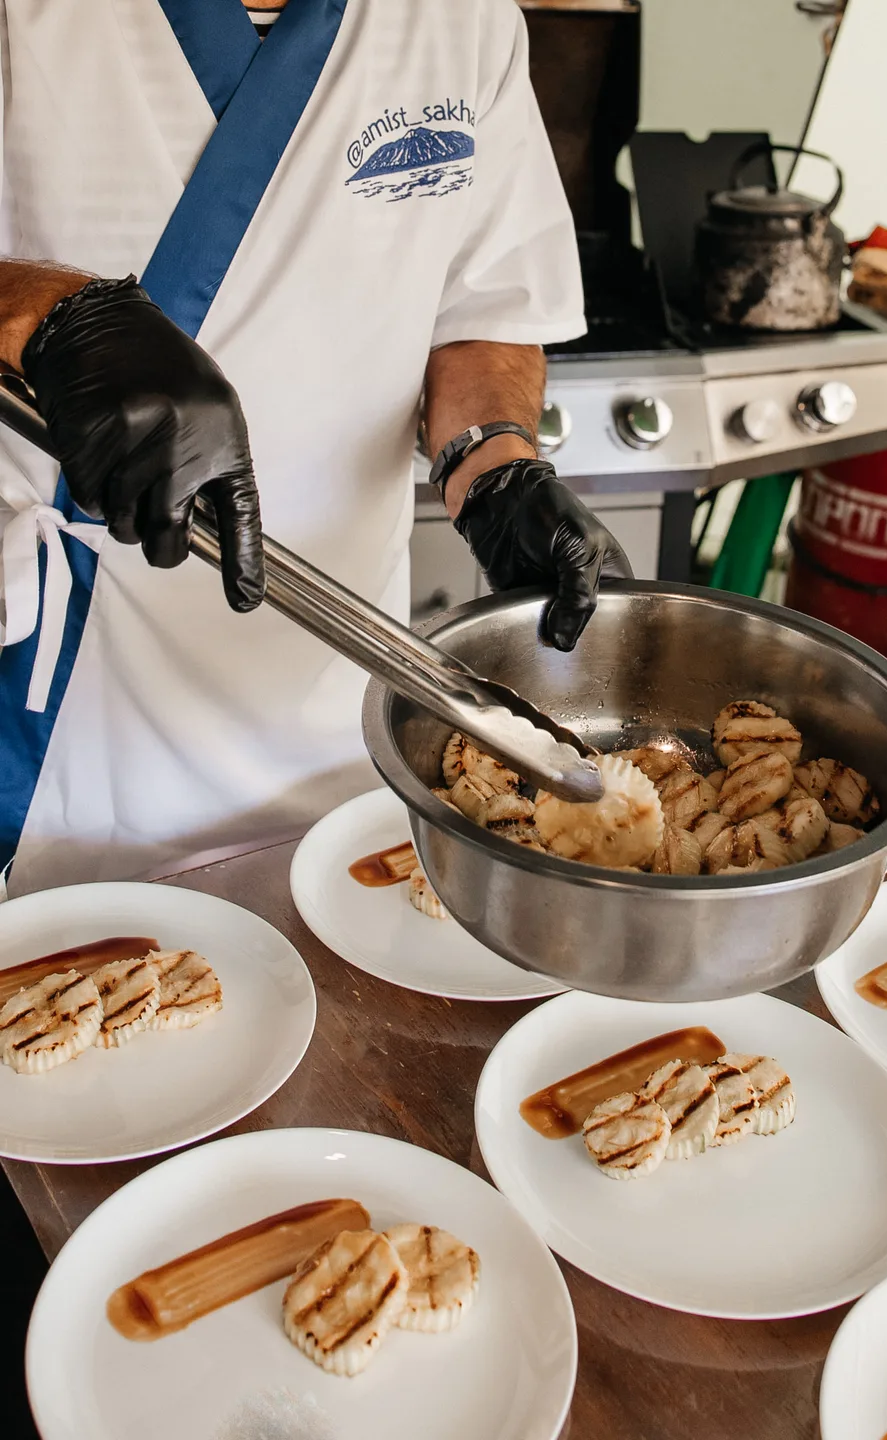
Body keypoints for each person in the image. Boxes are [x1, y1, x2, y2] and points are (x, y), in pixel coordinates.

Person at [0, 0, 630, 898]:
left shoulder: (466, 21)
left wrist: (493, 463)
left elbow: (481, 309)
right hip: (67, 692)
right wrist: (45, 313)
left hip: (338, 665)